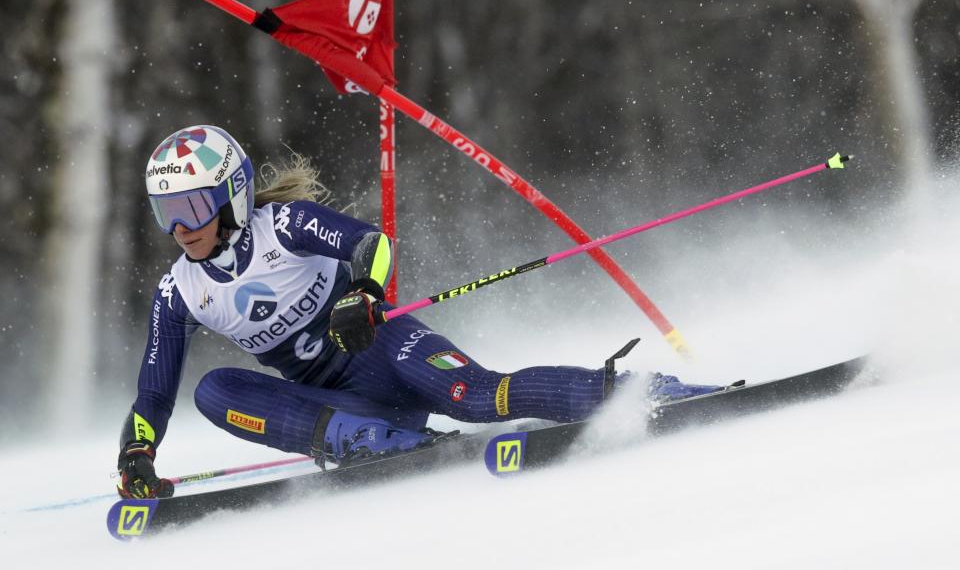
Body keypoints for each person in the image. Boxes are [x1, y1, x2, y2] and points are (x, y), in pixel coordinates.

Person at [116, 125, 720, 499]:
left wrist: (364, 294)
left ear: (231, 196)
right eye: (164, 212)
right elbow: (154, 394)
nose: (179, 228)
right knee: (213, 391)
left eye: (192, 207)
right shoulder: (181, 291)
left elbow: (370, 245)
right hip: (343, 407)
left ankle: (641, 392)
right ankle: (379, 442)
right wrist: (137, 454)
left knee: (478, 398)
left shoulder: (283, 227)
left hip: (388, 352)